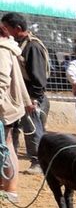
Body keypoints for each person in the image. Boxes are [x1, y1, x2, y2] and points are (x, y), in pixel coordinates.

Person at [1, 13, 48, 171]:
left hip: (31, 97)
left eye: (6, 27)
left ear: (18, 29)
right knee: (13, 131)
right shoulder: (18, 44)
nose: (4, 30)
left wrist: (33, 99)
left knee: (32, 129)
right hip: (20, 96)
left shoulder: (32, 46)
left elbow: (38, 77)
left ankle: (38, 162)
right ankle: (8, 162)